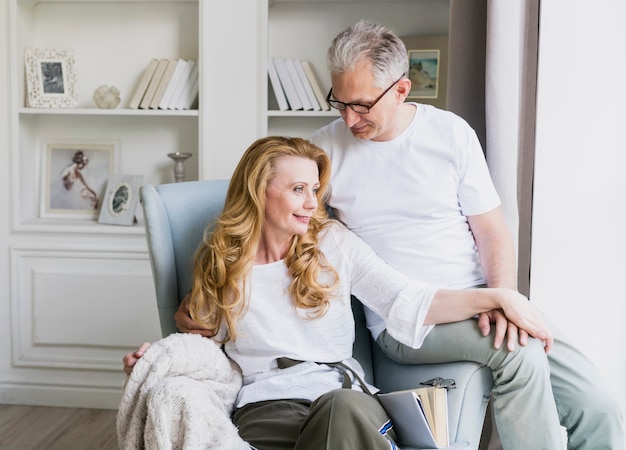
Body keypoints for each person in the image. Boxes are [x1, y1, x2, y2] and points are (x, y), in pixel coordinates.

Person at [308, 20, 623, 449]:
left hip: (481, 297)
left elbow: (491, 230)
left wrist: (501, 297)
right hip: (409, 319)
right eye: (338, 102)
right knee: (520, 354)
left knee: (599, 406)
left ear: (401, 90)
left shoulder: (450, 133)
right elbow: (280, 223)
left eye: (361, 106)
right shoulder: (322, 151)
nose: (348, 118)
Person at [124, 136, 553, 450]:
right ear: (259, 191)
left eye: (314, 189)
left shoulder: (332, 243)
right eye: (297, 189)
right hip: (265, 409)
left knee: (341, 408)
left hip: (344, 400)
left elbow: (407, 299)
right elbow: (202, 348)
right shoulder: (220, 260)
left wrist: (498, 297)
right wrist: (156, 360)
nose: (312, 203)